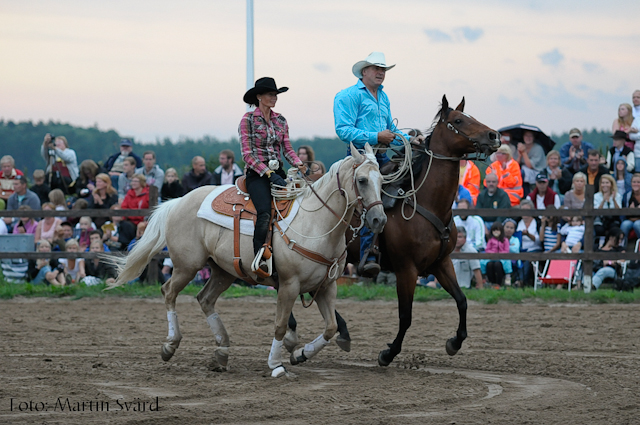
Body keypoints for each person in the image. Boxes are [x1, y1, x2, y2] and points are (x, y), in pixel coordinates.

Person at [333, 52, 419, 276]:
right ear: (364, 72)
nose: (381, 73)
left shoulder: (384, 96)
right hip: (360, 155)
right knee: (371, 199)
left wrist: (410, 139)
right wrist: (376, 137)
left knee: (405, 187)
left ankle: (400, 244)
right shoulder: (347, 96)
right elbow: (343, 131)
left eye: (383, 69)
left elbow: (391, 127)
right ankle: (367, 252)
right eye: (376, 68)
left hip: (381, 154)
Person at [240, 77, 305, 277]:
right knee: (265, 212)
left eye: (275, 95)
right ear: (259, 97)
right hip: (257, 174)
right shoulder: (248, 119)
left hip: (278, 173)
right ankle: (259, 256)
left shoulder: (281, 120)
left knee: (299, 208)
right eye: (270, 94)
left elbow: (287, 149)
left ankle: (290, 256)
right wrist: (267, 173)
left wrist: (299, 163)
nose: (274, 98)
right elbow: (247, 154)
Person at [516, 199, 542, 286]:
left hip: (535, 249)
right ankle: (516, 280)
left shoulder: (537, 222)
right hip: (520, 249)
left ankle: (522, 282)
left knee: (527, 259)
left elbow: (540, 241)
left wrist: (528, 235)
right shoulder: (518, 223)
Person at [482, 221, 512, 287]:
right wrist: (493, 253)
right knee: (489, 265)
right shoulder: (491, 240)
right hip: (491, 258)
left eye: (498, 230)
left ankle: (500, 282)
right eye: (494, 230)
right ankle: (490, 282)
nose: (496, 232)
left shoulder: (505, 240)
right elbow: (487, 249)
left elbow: (506, 250)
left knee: (498, 265)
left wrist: (499, 254)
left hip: (502, 258)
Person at [621, 173, 640, 241]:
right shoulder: (627, 195)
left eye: (638, 182)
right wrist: (629, 210)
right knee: (624, 225)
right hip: (629, 219)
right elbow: (623, 211)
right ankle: (622, 247)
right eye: (634, 182)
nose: (636, 184)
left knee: (637, 225)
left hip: (638, 221)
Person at [503, 218, 520, 287]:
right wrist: (509, 247)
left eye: (511, 228)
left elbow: (515, 250)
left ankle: (509, 279)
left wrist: (504, 248)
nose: (509, 229)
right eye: (507, 227)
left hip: (513, 260)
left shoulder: (516, 239)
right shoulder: (500, 239)